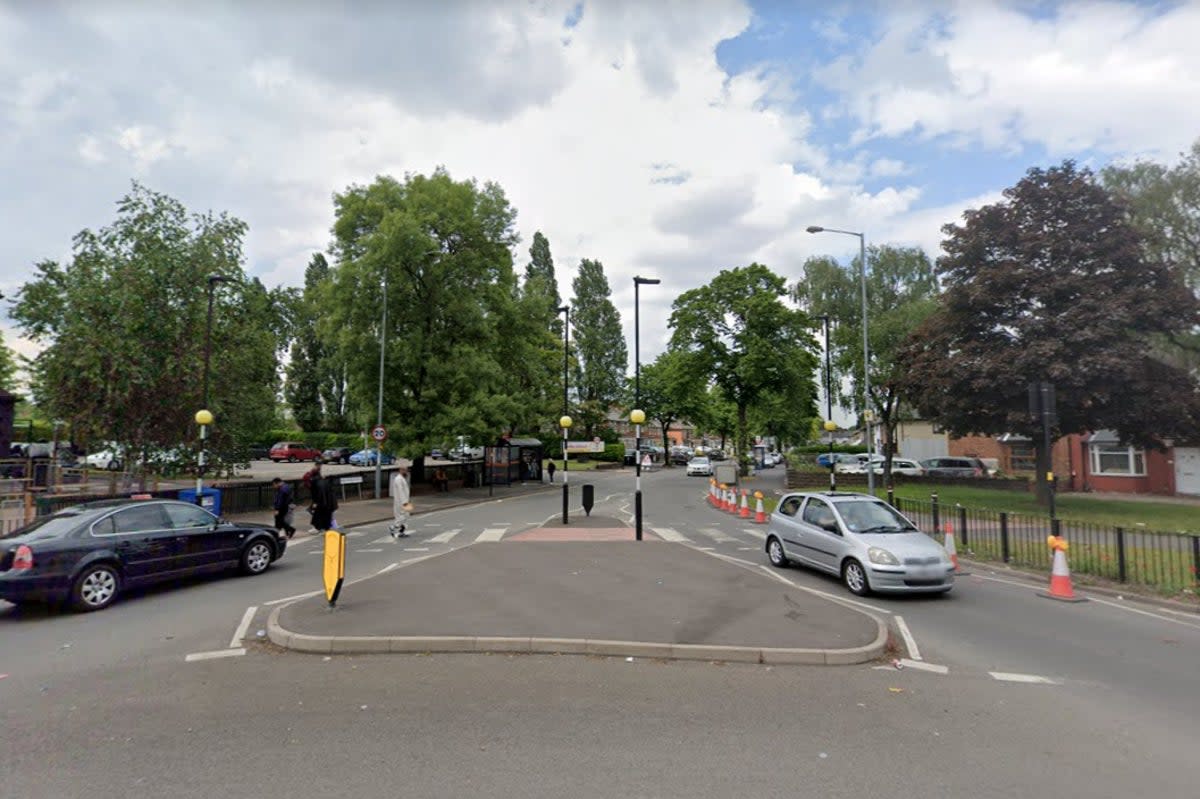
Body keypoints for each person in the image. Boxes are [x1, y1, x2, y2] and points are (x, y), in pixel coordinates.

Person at [309, 468, 339, 534]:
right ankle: (325, 528)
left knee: (318, 515)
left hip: (323, 503)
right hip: (329, 502)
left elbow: (318, 494)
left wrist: (316, 503)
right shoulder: (323, 481)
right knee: (325, 516)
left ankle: (319, 528)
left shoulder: (316, 482)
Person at [389, 464, 412, 539]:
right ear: (401, 470)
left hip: (405, 500)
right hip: (402, 501)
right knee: (402, 516)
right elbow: (400, 491)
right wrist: (405, 502)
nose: (406, 471)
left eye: (407, 470)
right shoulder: (398, 479)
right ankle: (393, 527)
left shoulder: (402, 478)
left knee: (407, 515)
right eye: (405, 470)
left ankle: (401, 532)